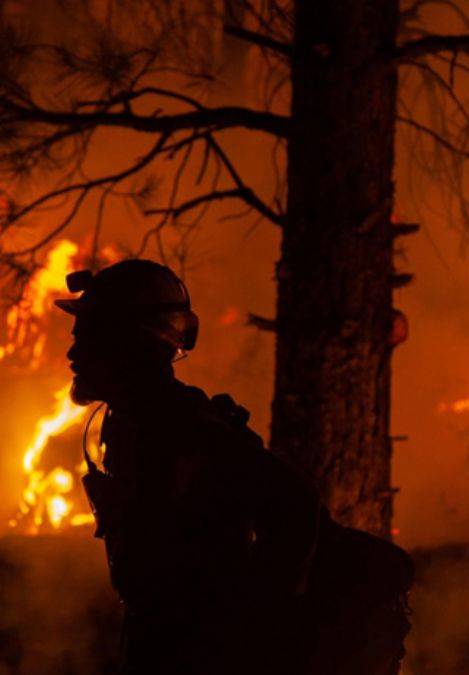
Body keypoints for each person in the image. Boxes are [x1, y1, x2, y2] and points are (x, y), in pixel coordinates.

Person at [55, 259, 321, 674]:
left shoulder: (184, 426)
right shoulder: (133, 423)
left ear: (127, 344)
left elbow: (295, 504)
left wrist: (254, 627)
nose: (73, 354)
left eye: (87, 338)